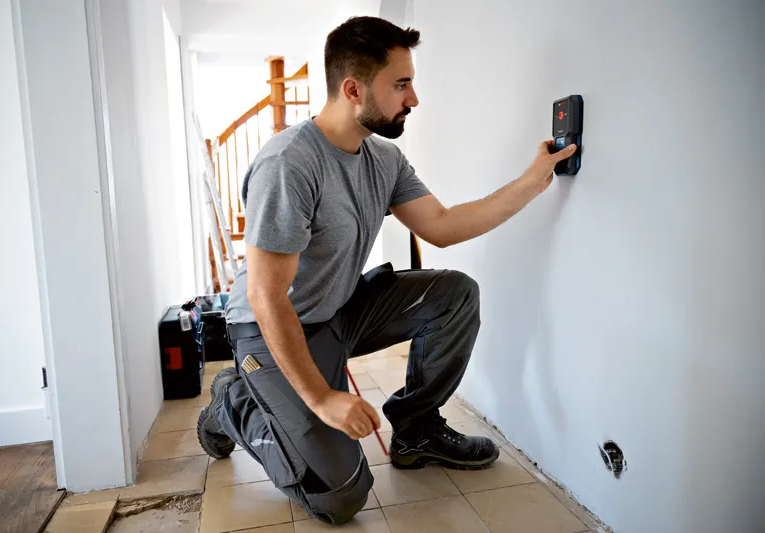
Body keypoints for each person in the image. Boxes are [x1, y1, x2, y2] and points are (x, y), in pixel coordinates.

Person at [196, 15, 577, 525]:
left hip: (338, 310)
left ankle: (416, 430)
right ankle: (232, 403)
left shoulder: (384, 159)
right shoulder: (289, 165)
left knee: (454, 294)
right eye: (401, 84)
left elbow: (440, 225)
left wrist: (531, 183)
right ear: (353, 89)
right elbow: (268, 299)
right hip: (268, 329)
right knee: (342, 497)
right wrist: (324, 398)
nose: (413, 98)